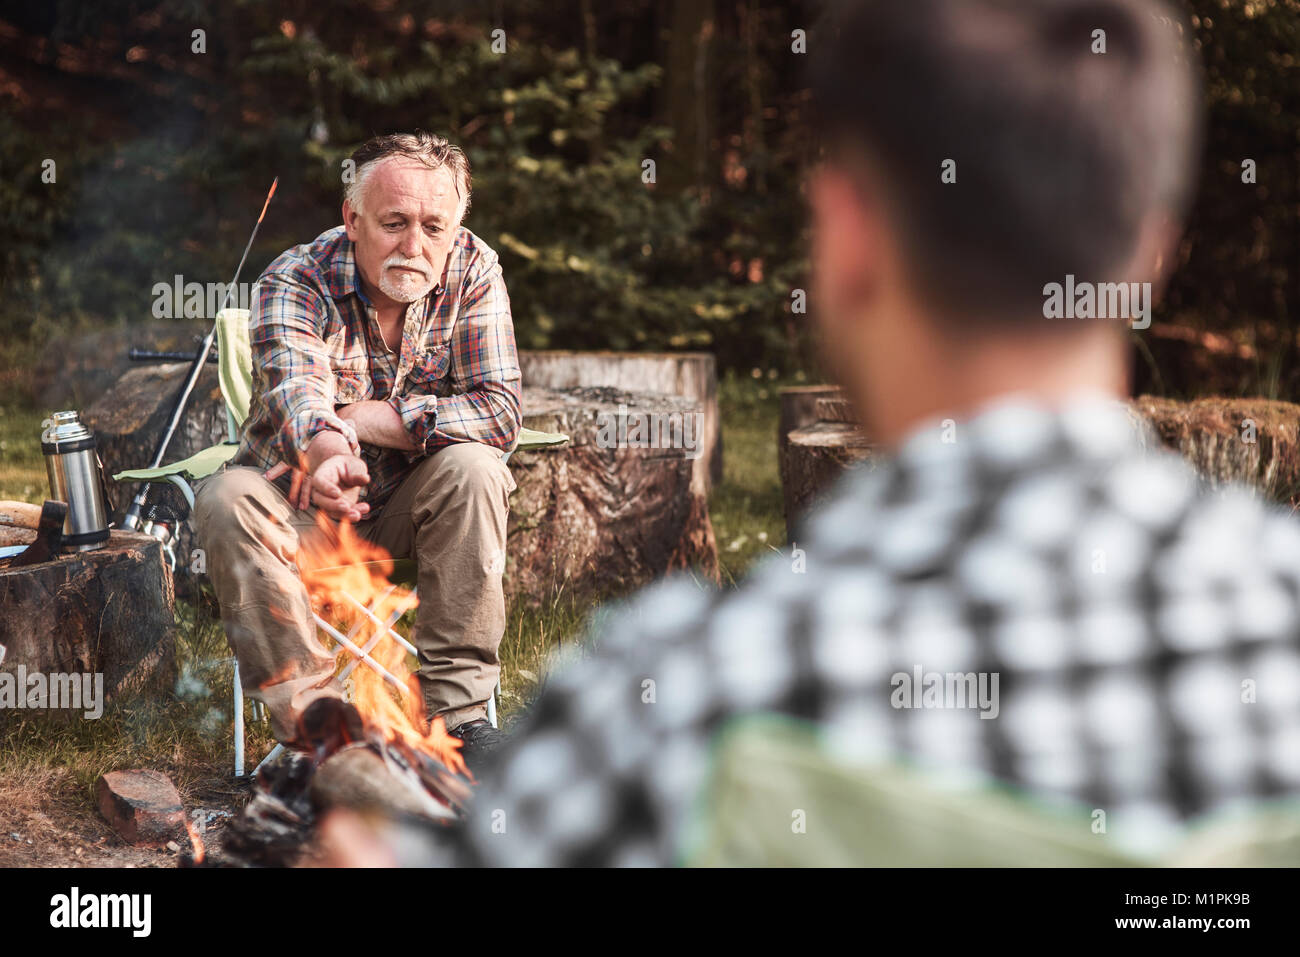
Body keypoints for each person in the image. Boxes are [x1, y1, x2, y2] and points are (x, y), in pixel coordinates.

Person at [193, 131, 521, 766]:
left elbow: (500, 413)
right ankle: (323, 732)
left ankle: (459, 718)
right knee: (227, 496)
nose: (415, 246)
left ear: (456, 226)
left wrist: (373, 419)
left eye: (434, 225)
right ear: (353, 219)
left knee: (477, 467)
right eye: (394, 223)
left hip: (409, 514)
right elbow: (297, 389)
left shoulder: (475, 269)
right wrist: (326, 446)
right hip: (296, 518)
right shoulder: (297, 278)